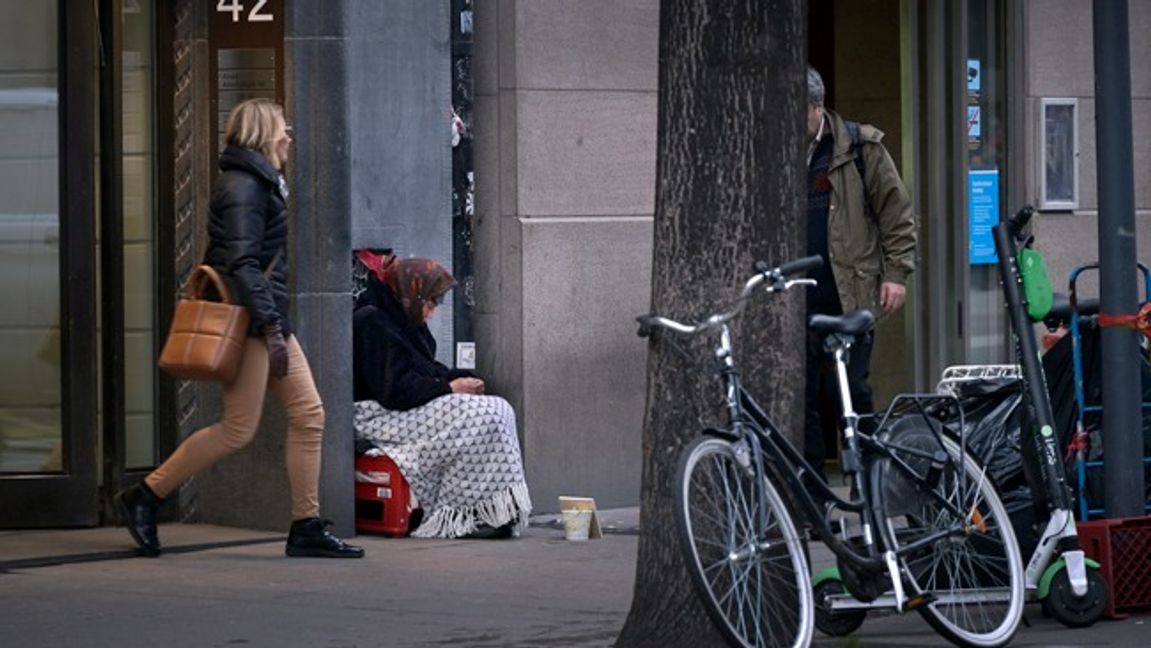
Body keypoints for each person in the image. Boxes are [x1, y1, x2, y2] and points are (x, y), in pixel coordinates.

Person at [118, 98, 363, 559]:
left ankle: (305, 524)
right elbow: (242, 263)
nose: (289, 136)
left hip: (264, 320)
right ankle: (146, 495)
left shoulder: (260, 183)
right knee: (239, 429)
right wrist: (271, 326)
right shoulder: (244, 187)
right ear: (263, 133)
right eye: (282, 129)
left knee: (307, 415)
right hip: (255, 322)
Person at [352, 252, 532, 539]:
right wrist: (449, 388)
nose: (432, 312)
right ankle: (461, 510)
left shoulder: (404, 318)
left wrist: (458, 378)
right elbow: (394, 389)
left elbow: (426, 369)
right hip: (377, 414)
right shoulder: (372, 321)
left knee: (498, 409)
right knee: (482, 415)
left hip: (404, 404)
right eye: (431, 302)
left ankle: (495, 508)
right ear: (411, 294)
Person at [803, 66, 917, 478]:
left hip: (848, 298)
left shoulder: (858, 146)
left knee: (850, 395)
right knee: (803, 404)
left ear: (817, 107)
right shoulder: (776, 149)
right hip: (795, 299)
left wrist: (896, 273)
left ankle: (871, 485)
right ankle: (810, 501)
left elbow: (897, 213)